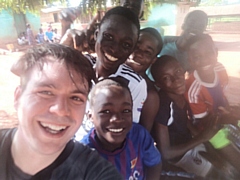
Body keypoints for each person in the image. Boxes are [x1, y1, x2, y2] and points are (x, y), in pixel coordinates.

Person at [0, 44, 123, 179]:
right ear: (18, 97)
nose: (61, 110)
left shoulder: (95, 172)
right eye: (46, 92)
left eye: (76, 98)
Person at [62, 7, 147, 140]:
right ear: (96, 35)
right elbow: (33, 76)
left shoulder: (134, 83)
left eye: (125, 44)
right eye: (108, 37)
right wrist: (61, 48)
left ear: (131, 50)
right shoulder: (79, 66)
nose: (114, 48)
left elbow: (125, 131)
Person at [150, 55, 224, 178]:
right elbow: (166, 153)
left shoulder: (179, 94)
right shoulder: (164, 106)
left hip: (189, 144)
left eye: (178, 72)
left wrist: (203, 138)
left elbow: (185, 121)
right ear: (159, 84)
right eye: (166, 78)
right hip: (178, 156)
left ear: (183, 69)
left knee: (222, 161)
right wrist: (202, 138)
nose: (176, 79)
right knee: (214, 175)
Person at [80, 78, 162, 180]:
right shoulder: (83, 157)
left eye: (126, 110)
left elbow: (154, 164)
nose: (117, 119)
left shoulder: (139, 135)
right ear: (90, 116)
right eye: (106, 111)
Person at [185, 34, 240, 172]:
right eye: (197, 57)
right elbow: (204, 121)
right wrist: (228, 118)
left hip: (223, 112)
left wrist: (230, 113)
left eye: (209, 53)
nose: (204, 60)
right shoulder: (193, 90)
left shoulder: (220, 69)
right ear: (190, 60)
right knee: (224, 143)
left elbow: (222, 95)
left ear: (216, 53)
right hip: (207, 125)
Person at [59, 0, 144, 52]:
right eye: (126, 3)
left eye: (135, 6)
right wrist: (65, 26)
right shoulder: (102, 33)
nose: (129, 7)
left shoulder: (146, 40)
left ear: (142, 13)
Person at [125, 27, 163, 132]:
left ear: (153, 60)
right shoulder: (111, 69)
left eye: (147, 52)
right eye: (136, 46)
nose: (139, 54)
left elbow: (142, 134)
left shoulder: (150, 95)